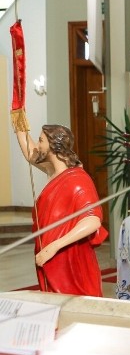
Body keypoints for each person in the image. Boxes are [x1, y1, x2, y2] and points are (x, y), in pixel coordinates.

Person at [14, 123, 107, 297]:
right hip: (51, 256)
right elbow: (30, 152)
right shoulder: (52, 171)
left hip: (70, 258)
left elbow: (92, 220)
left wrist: (53, 247)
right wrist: (18, 114)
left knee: (74, 307)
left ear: (52, 145)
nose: (38, 145)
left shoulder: (78, 179)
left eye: (41, 140)